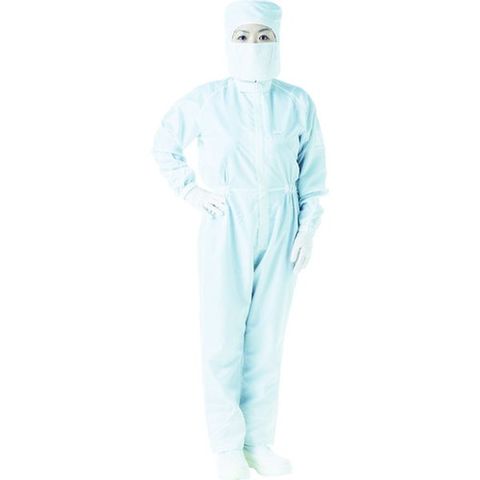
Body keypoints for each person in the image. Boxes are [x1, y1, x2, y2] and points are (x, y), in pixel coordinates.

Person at [153, 1, 327, 478]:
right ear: (229, 41)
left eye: (264, 36)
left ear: (278, 39)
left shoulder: (296, 102)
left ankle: (258, 442)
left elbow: (313, 175)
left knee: (268, 338)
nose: (254, 45)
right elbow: (165, 144)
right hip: (225, 223)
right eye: (243, 36)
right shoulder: (208, 100)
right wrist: (191, 191)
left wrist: (307, 227)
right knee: (223, 337)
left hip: (282, 227)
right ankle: (227, 446)